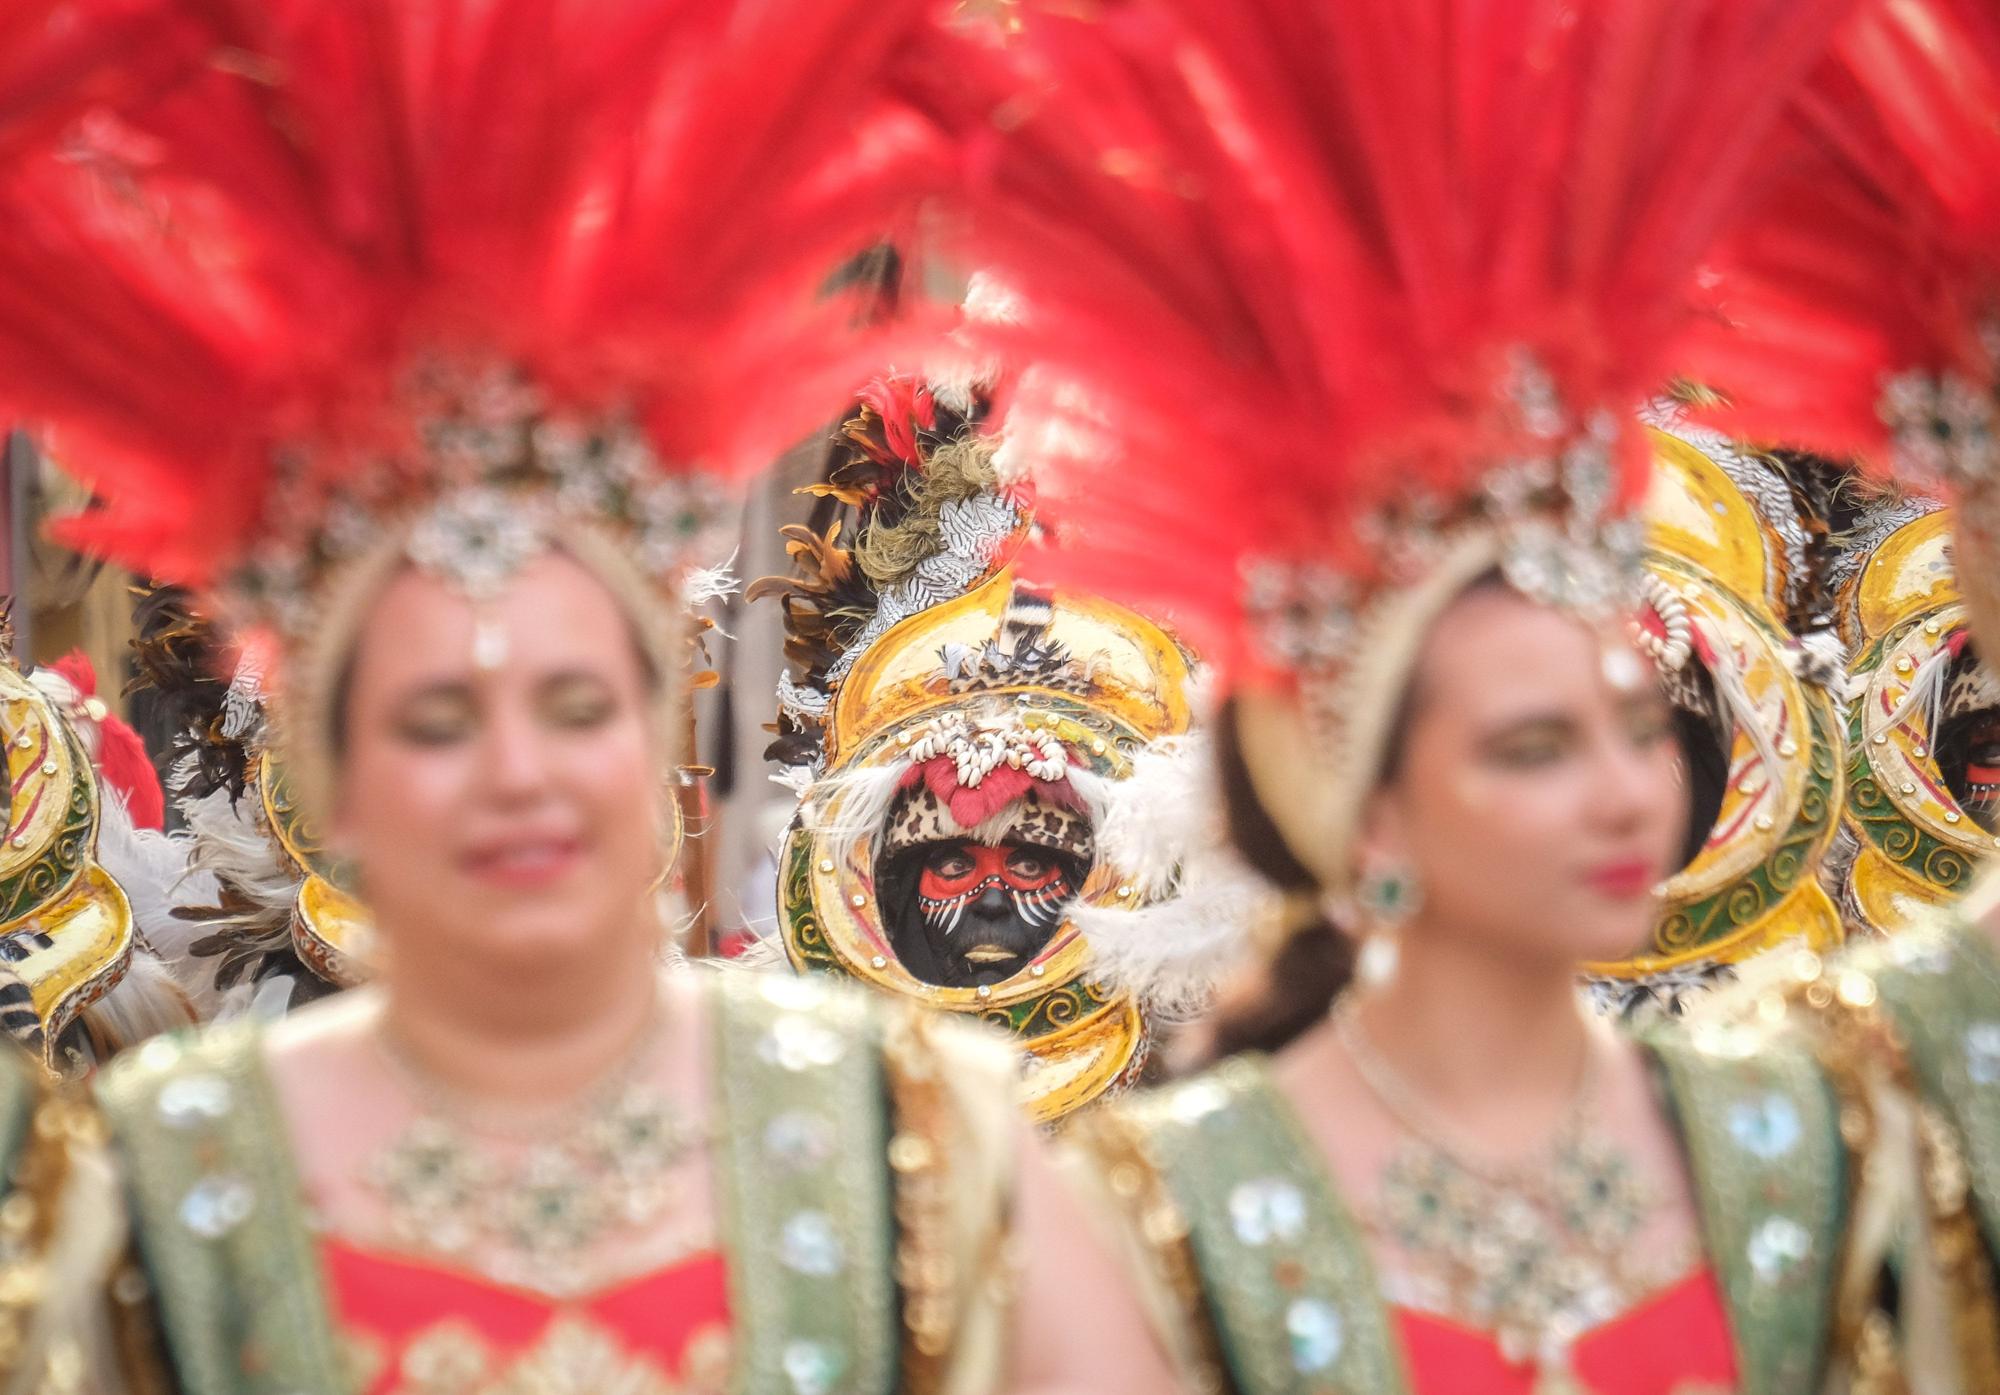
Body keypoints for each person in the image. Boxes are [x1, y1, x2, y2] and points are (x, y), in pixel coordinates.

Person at [0, 1, 1033, 1386]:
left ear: (659, 720)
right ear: (331, 768)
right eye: (437, 719)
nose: (518, 772)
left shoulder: (923, 1142)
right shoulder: (136, 1191)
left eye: (576, 706)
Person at [899, 0, 1903, 1389]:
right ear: (1363, 809)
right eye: (1533, 746)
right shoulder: (1148, 1212)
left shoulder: (1810, 1139)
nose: (1626, 788)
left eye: (1634, 722)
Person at [756, 332, 1265, 1122]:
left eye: (1033, 862)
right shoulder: (793, 1101)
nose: (992, 902)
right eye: (952, 861)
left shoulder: (1226, 1107)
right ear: (886, 881)